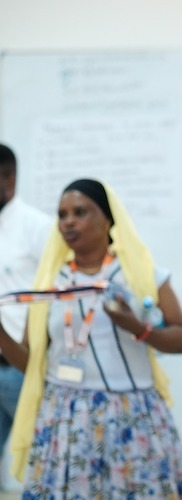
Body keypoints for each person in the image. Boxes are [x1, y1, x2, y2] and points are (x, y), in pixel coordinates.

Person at [0, 178, 182, 498]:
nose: (68, 222)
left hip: (129, 413)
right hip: (64, 418)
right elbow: (31, 364)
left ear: (108, 219)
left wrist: (138, 327)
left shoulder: (142, 276)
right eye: (62, 215)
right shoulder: (51, 283)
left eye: (80, 212)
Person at [0, 144, 52, 488]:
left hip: (20, 367)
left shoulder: (38, 226)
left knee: (41, 463)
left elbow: (51, 294)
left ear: (10, 179)